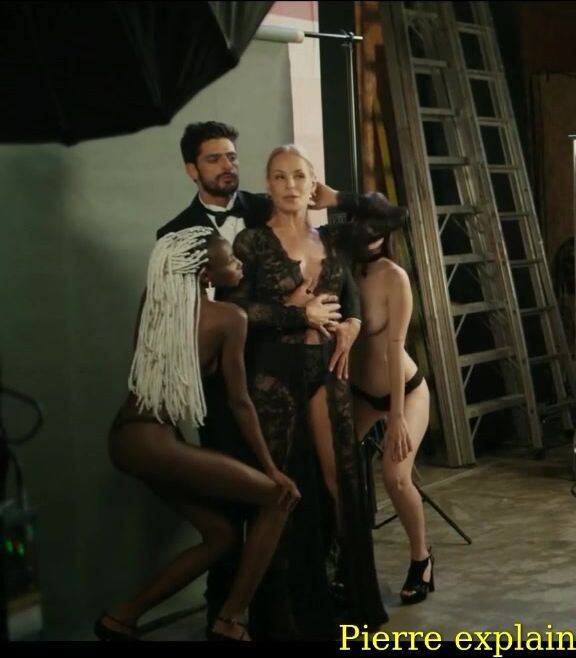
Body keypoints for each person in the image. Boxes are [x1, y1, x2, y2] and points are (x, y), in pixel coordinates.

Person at [155, 121, 351, 628]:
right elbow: (184, 321)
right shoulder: (174, 235)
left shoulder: (265, 205)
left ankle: (282, 604)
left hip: (274, 377)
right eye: (214, 159)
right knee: (231, 502)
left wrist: (328, 193)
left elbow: (328, 216)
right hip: (217, 386)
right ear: (191, 169)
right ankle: (224, 613)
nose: (227, 166)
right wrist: (296, 312)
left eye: (232, 156)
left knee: (287, 490)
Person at [96, 227, 300, 642]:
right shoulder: (229, 318)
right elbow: (240, 402)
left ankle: (120, 618)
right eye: (231, 259)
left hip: (126, 437)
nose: (239, 264)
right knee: (279, 498)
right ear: (206, 273)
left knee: (221, 536)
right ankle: (232, 619)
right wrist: (270, 468)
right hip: (153, 441)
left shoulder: (154, 303)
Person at [227, 144, 388, 638]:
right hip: (273, 374)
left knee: (340, 480)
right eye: (279, 176)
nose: (290, 185)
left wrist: (352, 325)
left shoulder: (333, 239)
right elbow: (235, 312)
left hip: (327, 368)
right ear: (268, 185)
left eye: (299, 175)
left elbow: (389, 218)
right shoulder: (252, 242)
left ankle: (349, 596)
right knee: (283, 489)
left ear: (312, 181)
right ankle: (284, 613)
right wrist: (299, 314)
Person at [337, 197, 439, 605]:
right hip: (361, 393)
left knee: (395, 476)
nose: (372, 238)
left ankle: (421, 559)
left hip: (405, 391)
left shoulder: (395, 277)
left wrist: (396, 416)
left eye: (380, 230)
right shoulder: (342, 270)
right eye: (365, 228)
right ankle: (344, 561)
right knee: (335, 470)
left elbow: (396, 347)